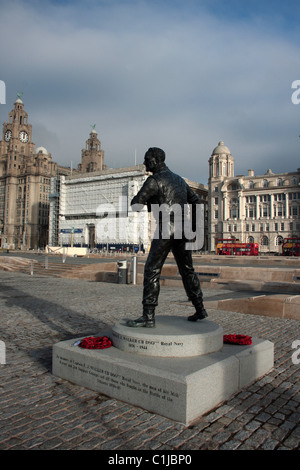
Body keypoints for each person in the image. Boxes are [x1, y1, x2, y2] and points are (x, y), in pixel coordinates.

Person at [127, 147, 207, 328]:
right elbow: (196, 201)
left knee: (152, 270)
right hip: (183, 229)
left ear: (155, 160)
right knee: (188, 270)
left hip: (166, 228)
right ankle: (200, 308)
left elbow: (136, 205)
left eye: (147, 159)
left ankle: (148, 316)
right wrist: (194, 227)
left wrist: (143, 199)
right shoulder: (179, 179)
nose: (145, 163)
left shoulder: (153, 181)